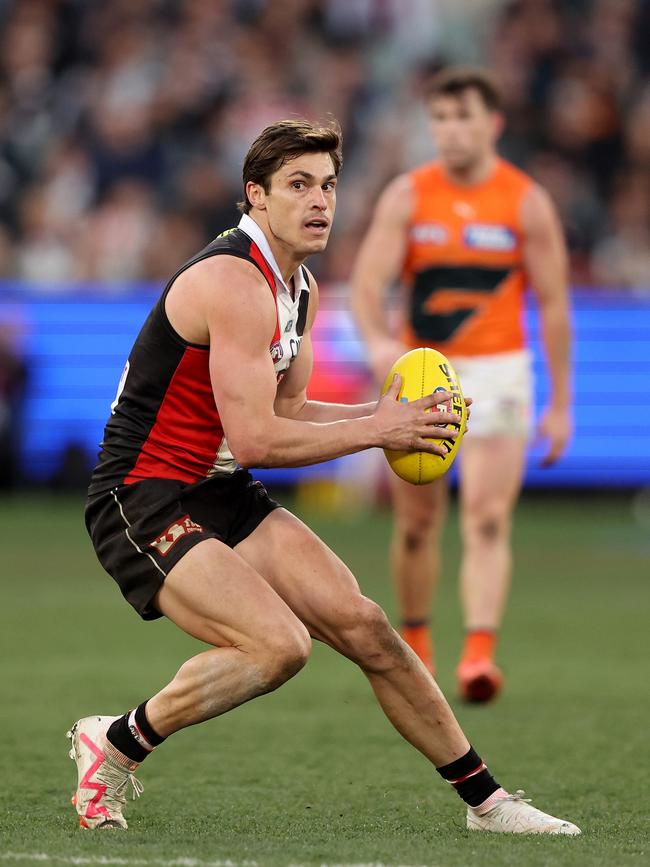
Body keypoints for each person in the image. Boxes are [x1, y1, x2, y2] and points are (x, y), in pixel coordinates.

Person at [69, 119, 579, 836]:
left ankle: (489, 803)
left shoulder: (297, 285)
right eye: (299, 185)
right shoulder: (231, 280)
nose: (320, 202)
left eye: (330, 185)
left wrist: (385, 411)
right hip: (143, 492)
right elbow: (257, 439)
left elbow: (288, 407)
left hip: (217, 488)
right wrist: (380, 430)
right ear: (257, 196)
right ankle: (114, 744)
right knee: (277, 645)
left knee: (366, 625)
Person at [351, 67, 572, 702]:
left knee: (486, 517)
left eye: (463, 117)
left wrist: (560, 404)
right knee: (418, 518)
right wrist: (376, 343)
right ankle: (416, 645)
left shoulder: (525, 201)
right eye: (441, 118)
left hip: (500, 370)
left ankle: (478, 655)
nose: (450, 130)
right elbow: (369, 283)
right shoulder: (408, 195)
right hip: (425, 371)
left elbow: (554, 305)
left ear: (493, 123)